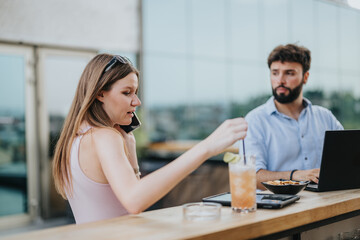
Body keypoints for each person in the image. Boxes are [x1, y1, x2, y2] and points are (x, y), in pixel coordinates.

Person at [52, 53, 248, 224]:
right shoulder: (105, 136)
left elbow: (128, 200)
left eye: (135, 92)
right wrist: (205, 148)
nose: (136, 101)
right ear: (100, 94)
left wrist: (131, 151)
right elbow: (134, 201)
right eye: (126, 92)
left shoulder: (77, 137)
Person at [244, 44, 343, 190]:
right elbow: (252, 177)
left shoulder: (325, 117)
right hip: (278, 207)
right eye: (275, 73)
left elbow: (347, 162)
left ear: (305, 77)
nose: (280, 80)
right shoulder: (255, 120)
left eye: (289, 73)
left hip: (323, 201)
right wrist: (294, 176)